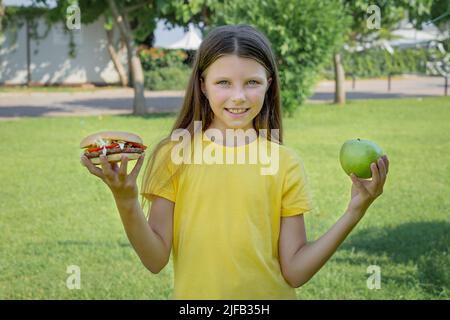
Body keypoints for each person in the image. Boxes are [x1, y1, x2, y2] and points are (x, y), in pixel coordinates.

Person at [80, 24, 389, 300]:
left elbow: (295, 271)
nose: (238, 96)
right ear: (202, 84)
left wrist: (355, 210)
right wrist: (125, 199)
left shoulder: (284, 162)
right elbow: (155, 259)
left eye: (252, 82)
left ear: (269, 83)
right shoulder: (175, 153)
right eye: (223, 82)